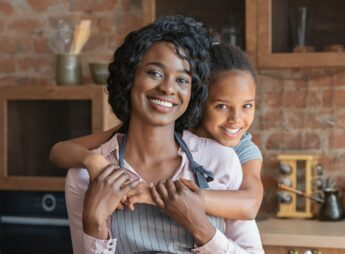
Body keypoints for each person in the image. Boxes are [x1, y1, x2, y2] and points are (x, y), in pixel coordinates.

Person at [59, 15, 264, 254]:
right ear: (129, 77)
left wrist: (199, 225)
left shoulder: (221, 160)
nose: (167, 87)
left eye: (182, 79)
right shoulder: (85, 176)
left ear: (192, 93)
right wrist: (93, 223)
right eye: (155, 73)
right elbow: (60, 150)